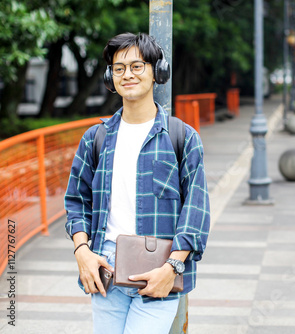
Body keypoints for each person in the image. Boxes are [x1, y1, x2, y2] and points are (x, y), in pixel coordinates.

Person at [64, 32, 210, 334]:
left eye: (137, 66)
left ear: (157, 72)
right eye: (119, 68)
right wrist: (82, 252)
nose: (127, 74)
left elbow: (195, 212)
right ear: (110, 77)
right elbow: (76, 201)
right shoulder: (96, 138)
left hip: (159, 268)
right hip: (104, 266)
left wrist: (173, 268)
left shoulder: (182, 137)